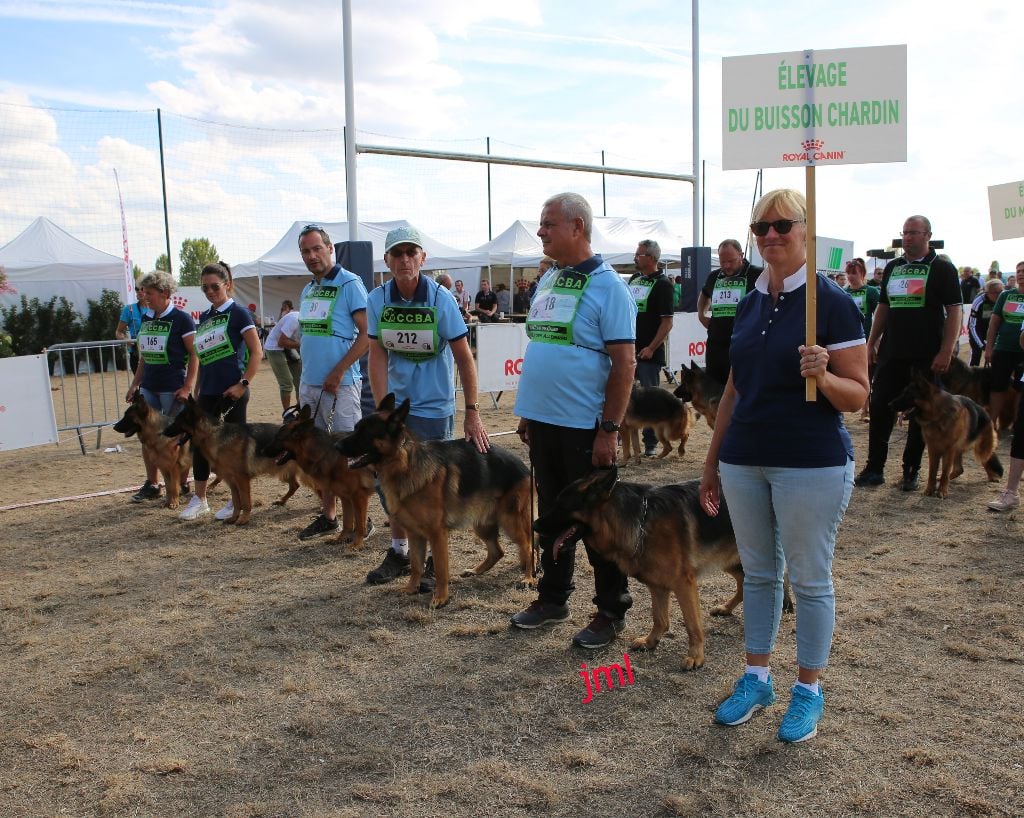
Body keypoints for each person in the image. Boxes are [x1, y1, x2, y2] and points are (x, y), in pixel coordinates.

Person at [699, 188, 868, 743]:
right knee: (760, 572)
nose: (771, 236)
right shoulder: (748, 302)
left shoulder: (833, 303)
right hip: (745, 459)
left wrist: (823, 374)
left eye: (783, 225)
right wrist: (712, 460)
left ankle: (808, 689)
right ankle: (757, 676)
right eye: (761, 228)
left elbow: (856, 397)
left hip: (809, 462)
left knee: (810, 579)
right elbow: (731, 389)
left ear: (806, 230)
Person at [510, 192, 637, 650]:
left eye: (548, 224)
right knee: (553, 513)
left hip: (585, 426)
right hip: (544, 421)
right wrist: (528, 411)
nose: (540, 231)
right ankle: (553, 597)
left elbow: (624, 364)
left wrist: (609, 428)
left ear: (577, 227)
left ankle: (610, 609)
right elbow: (543, 345)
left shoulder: (609, 287)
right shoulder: (549, 280)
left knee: (598, 520)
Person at [363, 226, 489, 588]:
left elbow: (465, 357)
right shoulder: (377, 300)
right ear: (386, 261)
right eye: (396, 254)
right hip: (398, 409)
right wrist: (383, 409)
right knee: (390, 480)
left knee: (430, 486)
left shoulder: (440, 299)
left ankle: (434, 558)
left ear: (422, 258)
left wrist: (473, 410)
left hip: (434, 407)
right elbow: (377, 354)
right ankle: (399, 551)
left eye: (410, 253)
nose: (404, 260)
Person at [855, 215, 962, 491]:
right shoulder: (893, 267)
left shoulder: (942, 268)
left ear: (928, 235)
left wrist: (946, 350)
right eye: (905, 233)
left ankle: (911, 470)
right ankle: (874, 468)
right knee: (880, 406)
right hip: (893, 352)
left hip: (927, 354)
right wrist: (871, 342)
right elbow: (884, 307)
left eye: (914, 233)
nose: (908, 238)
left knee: (920, 413)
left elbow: (954, 310)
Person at [294, 224, 370, 540]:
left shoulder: (350, 283)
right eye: (305, 252)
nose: (312, 256)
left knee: (346, 454)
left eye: (316, 249)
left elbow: (368, 335)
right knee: (318, 454)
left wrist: (338, 370)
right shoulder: (308, 289)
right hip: (309, 384)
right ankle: (329, 515)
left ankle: (360, 520)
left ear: (330, 249)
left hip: (341, 385)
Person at [177, 262, 263, 522]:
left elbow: (257, 352)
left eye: (215, 286)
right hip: (208, 393)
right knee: (200, 445)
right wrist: (198, 390)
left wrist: (242, 384)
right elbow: (202, 358)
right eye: (205, 288)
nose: (210, 291)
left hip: (233, 392)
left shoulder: (239, 314)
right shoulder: (204, 317)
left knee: (234, 449)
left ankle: (236, 500)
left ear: (227, 284)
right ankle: (200, 499)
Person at [124, 271, 198, 502]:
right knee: (147, 437)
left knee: (177, 438)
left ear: (165, 293)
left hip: (172, 387)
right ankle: (152, 483)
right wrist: (135, 383)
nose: (145, 297)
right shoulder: (147, 318)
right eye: (144, 293)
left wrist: (188, 387)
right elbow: (144, 356)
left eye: (150, 293)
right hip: (149, 388)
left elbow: (194, 355)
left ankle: (182, 482)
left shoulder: (182, 319)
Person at [628, 239, 675, 456]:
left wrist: (651, 347)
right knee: (625, 395)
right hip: (628, 348)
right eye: (636, 254)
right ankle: (625, 439)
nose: (636, 258)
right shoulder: (635, 279)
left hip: (649, 352)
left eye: (640, 255)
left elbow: (667, 322)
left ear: (652, 258)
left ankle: (652, 443)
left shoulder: (663, 284)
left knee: (650, 400)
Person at [697, 239, 763, 384]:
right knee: (714, 389)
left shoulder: (757, 274)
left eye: (731, 261)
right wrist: (701, 315)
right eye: (722, 261)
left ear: (741, 255)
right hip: (716, 344)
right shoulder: (715, 276)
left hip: (745, 344)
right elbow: (704, 294)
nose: (726, 266)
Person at [983, 263, 1024, 430]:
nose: (1021, 274)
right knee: (997, 387)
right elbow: (993, 324)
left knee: (1021, 389)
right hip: (1003, 349)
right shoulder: (1006, 295)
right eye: (1019, 271)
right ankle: (990, 426)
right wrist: (989, 348)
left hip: (1023, 352)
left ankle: (1018, 426)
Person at [844, 258, 880, 420]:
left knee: (868, 374)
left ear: (862, 274)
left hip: (866, 339)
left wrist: (875, 341)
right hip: (847, 340)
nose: (851, 277)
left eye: (854, 273)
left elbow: (878, 316)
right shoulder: (844, 292)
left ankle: (866, 408)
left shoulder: (871, 292)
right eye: (849, 273)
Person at [263, 299, 302, 411]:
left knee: (300, 381)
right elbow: (281, 342)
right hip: (274, 347)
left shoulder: (308, 321)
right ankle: (287, 413)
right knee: (287, 383)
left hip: (288, 346)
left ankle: (301, 412)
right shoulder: (295, 320)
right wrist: (300, 345)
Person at [968, 279, 1003, 366]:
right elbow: (972, 326)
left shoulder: (1004, 298)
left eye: (1000, 292)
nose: (998, 295)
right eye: (995, 293)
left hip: (995, 331)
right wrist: (982, 345)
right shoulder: (979, 301)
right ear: (987, 292)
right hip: (979, 330)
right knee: (976, 354)